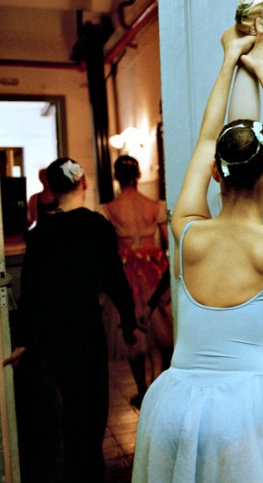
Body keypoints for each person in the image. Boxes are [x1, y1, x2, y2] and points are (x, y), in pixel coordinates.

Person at [131, 26, 263, 481]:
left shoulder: (187, 232)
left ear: (214, 174)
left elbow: (208, 140)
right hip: (240, 413)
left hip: (170, 404)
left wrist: (228, 58)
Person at [4, 157, 137, 481]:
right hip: (86, 327)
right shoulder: (97, 226)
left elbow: (31, 290)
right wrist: (130, 320)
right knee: (92, 408)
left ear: (51, 187)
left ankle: (75, 470)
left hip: (53, 333)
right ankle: (88, 471)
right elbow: (115, 279)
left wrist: (22, 338)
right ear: (84, 184)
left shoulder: (40, 232)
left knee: (68, 405)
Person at [98, 154, 171, 408]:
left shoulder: (108, 209)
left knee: (132, 334)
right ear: (139, 175)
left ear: (117, 177)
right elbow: (167, 241)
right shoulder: (155, 206)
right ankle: (159, 385)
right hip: (154, 270)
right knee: (161, 334)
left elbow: (107, 249)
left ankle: (142, 390)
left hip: (127, 273)